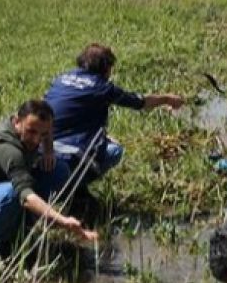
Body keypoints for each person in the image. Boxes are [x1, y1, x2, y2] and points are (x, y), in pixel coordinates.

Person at [0, 99, 99, 254]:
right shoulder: (8, 149)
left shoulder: (30, 128)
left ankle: (23, 224)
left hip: (6, 186)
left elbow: (46, 130)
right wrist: (64, 221)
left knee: (59, 170)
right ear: (17, 122)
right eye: (31, 132)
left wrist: (49, 151)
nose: (37, 140)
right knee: (12, 194)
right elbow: (26, 196)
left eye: (42, 134)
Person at [42, 43, 184, 184]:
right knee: (114, 150)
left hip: (42, 144)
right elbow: (140, 102)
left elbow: (67, 115)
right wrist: (167, 99)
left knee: (106, 141)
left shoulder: (61, 79)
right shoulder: (102, 88)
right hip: (68, 153)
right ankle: (76, 186)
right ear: (106, 68)